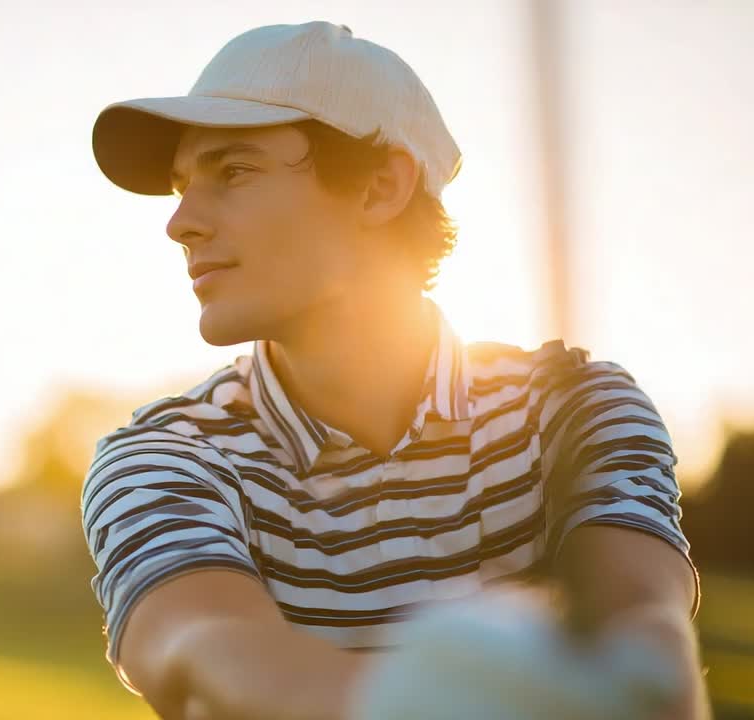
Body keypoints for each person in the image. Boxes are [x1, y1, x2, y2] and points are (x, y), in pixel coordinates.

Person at [79, 21, 707, 720]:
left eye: (233, 171)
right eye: (181, 186)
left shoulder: (581, 406)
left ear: (381, 187)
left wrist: (632, 681)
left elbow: (649, 651)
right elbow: (201, 648)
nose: (181, 223)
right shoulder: (165, 454)